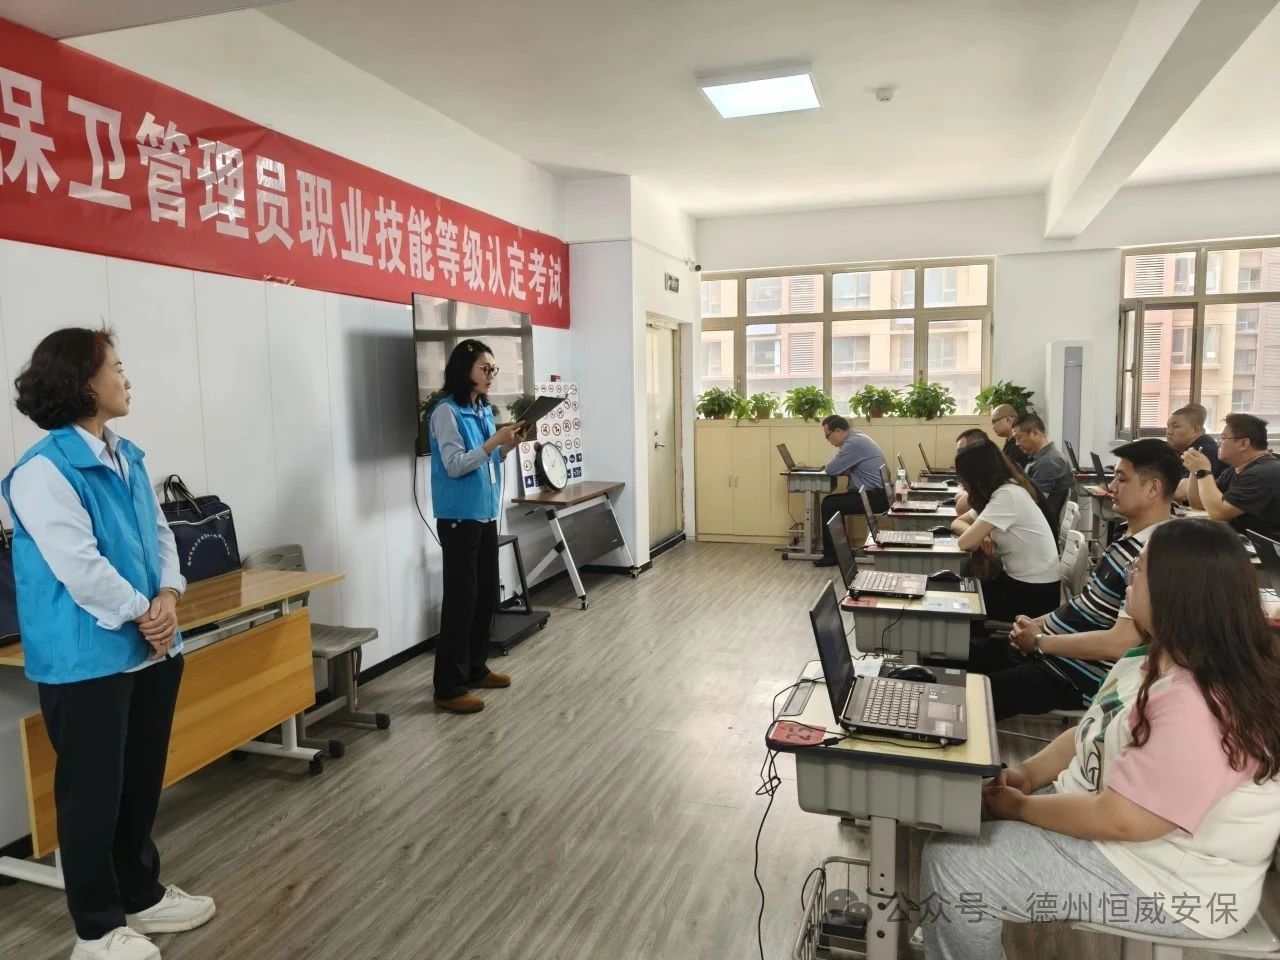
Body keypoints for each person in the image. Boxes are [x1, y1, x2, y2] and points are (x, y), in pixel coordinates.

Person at [921, 520, 1280, 959]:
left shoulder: (1200, 703)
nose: (1130, 576)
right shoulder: (1158, 659)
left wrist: (1022, 808)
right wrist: (1027, 776)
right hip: (1133, 841)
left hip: (1173, 885)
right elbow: (1093, 730)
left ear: (1176, 591)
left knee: (957, 866)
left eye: (1141, 569)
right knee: (959, 816)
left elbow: (1126, 819)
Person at [1, 329, 215, 960]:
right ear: (83, 384)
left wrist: (169, 595)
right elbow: (80, 565)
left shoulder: (128, 456)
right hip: (87, 658)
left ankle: (140, 894)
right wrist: (145, 613)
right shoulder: (43, 471)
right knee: (92, 793)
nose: (127, 378)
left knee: (140, 779)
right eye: (116, 367)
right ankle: (95, 929)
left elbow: (160, 535)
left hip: (149, 644)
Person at [990, 439, 1179, 719]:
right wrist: (1038, 623)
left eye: (1122, 479)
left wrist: (1040, 641)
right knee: (962, 658)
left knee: (973, 692)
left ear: (1153, 488)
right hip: (1054, 652)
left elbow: (1121, 643)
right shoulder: (1127, 538)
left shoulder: (1153, 555)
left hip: (1075, 676)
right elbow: (1088, 601)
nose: (1111, 487)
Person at [427, 339, 524, 713]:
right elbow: (454, 465)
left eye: (493, 369)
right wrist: (492, 443)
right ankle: (448, 687)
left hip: (484, 515)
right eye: (485, 368)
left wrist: (507, 444)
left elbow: (488, 459)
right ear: (464, 369)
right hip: (458, 518)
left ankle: (475, 668)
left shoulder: (481, 409)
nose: (491, 375)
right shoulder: (446, 412)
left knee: (485, 596)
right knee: (460, 602)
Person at [950, 440, 1060, 626]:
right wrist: (983, 534)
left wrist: (978, 534)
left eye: (963, 478)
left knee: (960, 600)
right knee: (964, 590)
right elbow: (958, 522)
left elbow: (964, 543)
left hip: (1034, 595)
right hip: (1027, 586)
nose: (963, 484)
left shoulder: (1007, 496)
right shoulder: (1005, 490)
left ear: (976, 476)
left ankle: (973, 642)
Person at [1184, 412, 1280, 539]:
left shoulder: (1262, 473)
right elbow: (1197, 503)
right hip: (1241, 540)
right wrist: (1195, 469)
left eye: (1223, 438)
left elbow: (1219, 513)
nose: (1219, 443)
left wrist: (1203, 471)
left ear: (1244, 444)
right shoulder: (1235, 469)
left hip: (1265, 547)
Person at [814, 414, 888, 568]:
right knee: (831, 502)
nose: (828, 440)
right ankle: (839, 551)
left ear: (838, 431)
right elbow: (842, 467)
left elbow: (831, 469)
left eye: (827, 436)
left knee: (829, 504)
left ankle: (832, 555)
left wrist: (844, 469)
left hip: (876, 498)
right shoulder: (857, 437)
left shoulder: (853, 443)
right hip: (877, 494)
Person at [1013, 412, 1073, 530]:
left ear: (1035, 433)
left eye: (1018, 438)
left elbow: (1033, 503)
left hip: (1040, 528)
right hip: (1037, 523)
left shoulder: (1049, 461)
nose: (1017, 444)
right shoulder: (1043, 457)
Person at [1166, 403, 1224, 502]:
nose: (1169, 432)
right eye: (1168, 426)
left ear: (1195, 429)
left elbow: (1181, 493)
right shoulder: (1181, 449)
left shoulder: (1203, 450)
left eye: (1176, 426)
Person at [989, 403, 1029, 469]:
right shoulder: (1009, 442)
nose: (993, 427)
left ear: (1007, 419)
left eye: (994, 422)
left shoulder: (1020, 445)